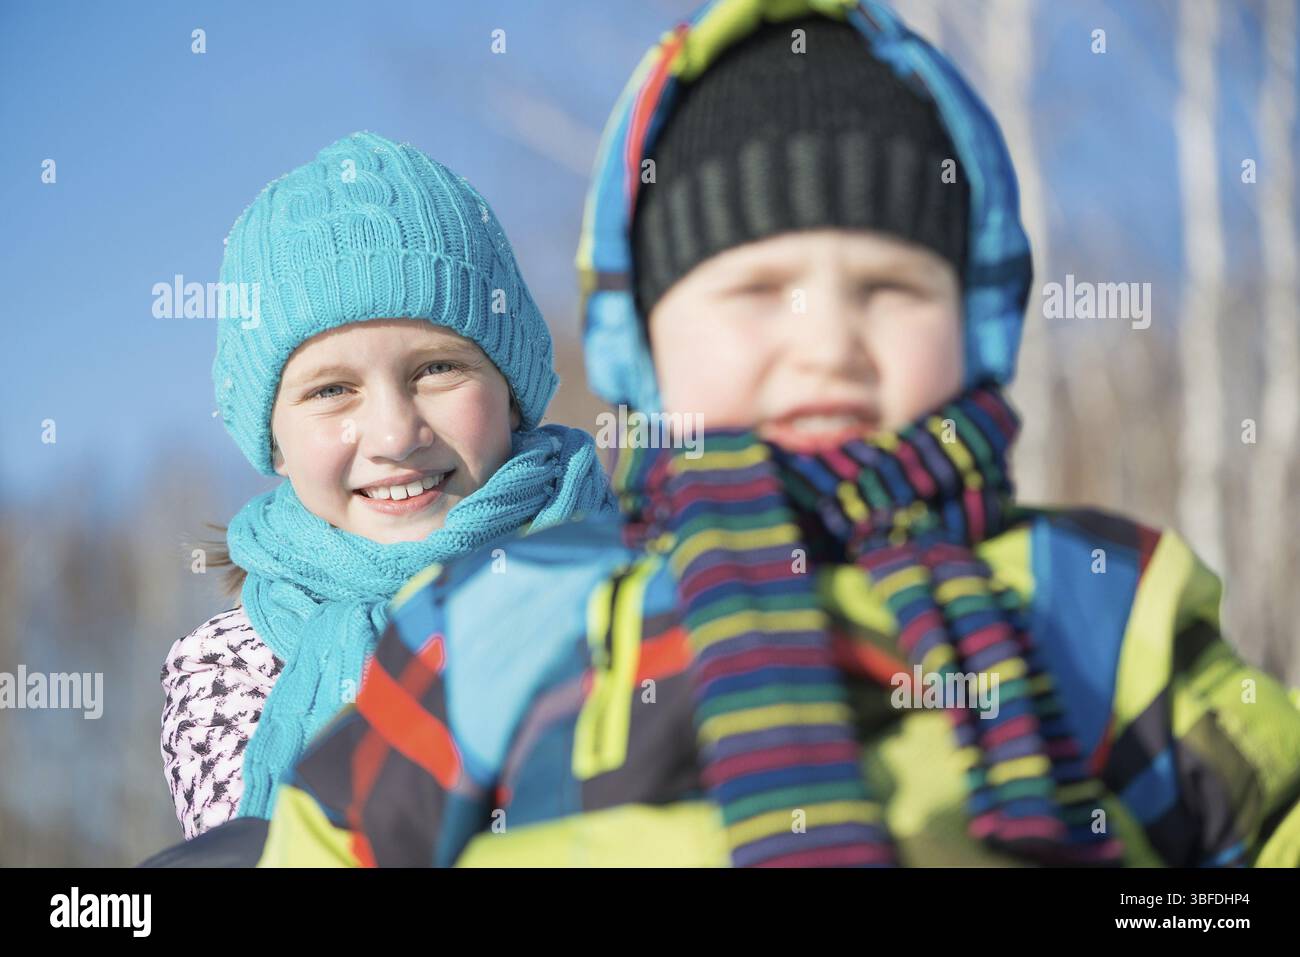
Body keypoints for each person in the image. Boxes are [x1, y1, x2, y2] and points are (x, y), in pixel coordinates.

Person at [195, 0, 1299, 868]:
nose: (826, 346)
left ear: (976, 317)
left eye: (885, 289)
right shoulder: (513, 614)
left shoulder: (1092, 600)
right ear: (646, 344)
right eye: (759, 292)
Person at [158, 131, 615, 840]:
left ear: (513, 390)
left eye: (436, 369)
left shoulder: (628, 589)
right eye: (333, 389)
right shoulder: (230, 666)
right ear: (273, 439)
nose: (397, 435)